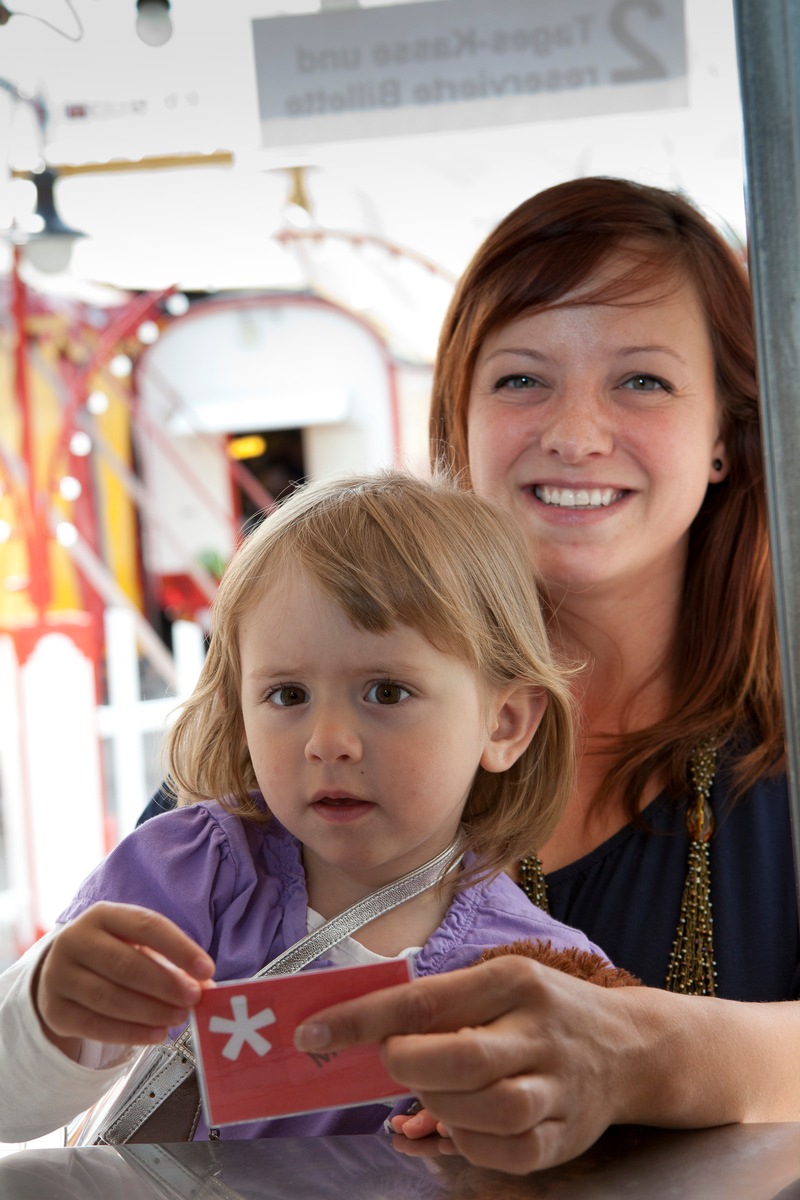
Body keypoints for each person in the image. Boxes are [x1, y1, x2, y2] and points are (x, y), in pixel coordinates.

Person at [289, 177, 800, 1174]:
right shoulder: (315, 690)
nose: (574, 432)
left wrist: (638, 1059)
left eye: (640, 381)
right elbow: (113, 1009)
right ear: (459, 427)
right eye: (521, 379)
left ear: (724, 441)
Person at [0, 470, 604, 1145]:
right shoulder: (185, 878)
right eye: (288, 696)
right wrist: (48, 1012)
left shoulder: (534, 973)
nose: (329, 742)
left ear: (505, 724)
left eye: (386, 691)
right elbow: (10, 1105)